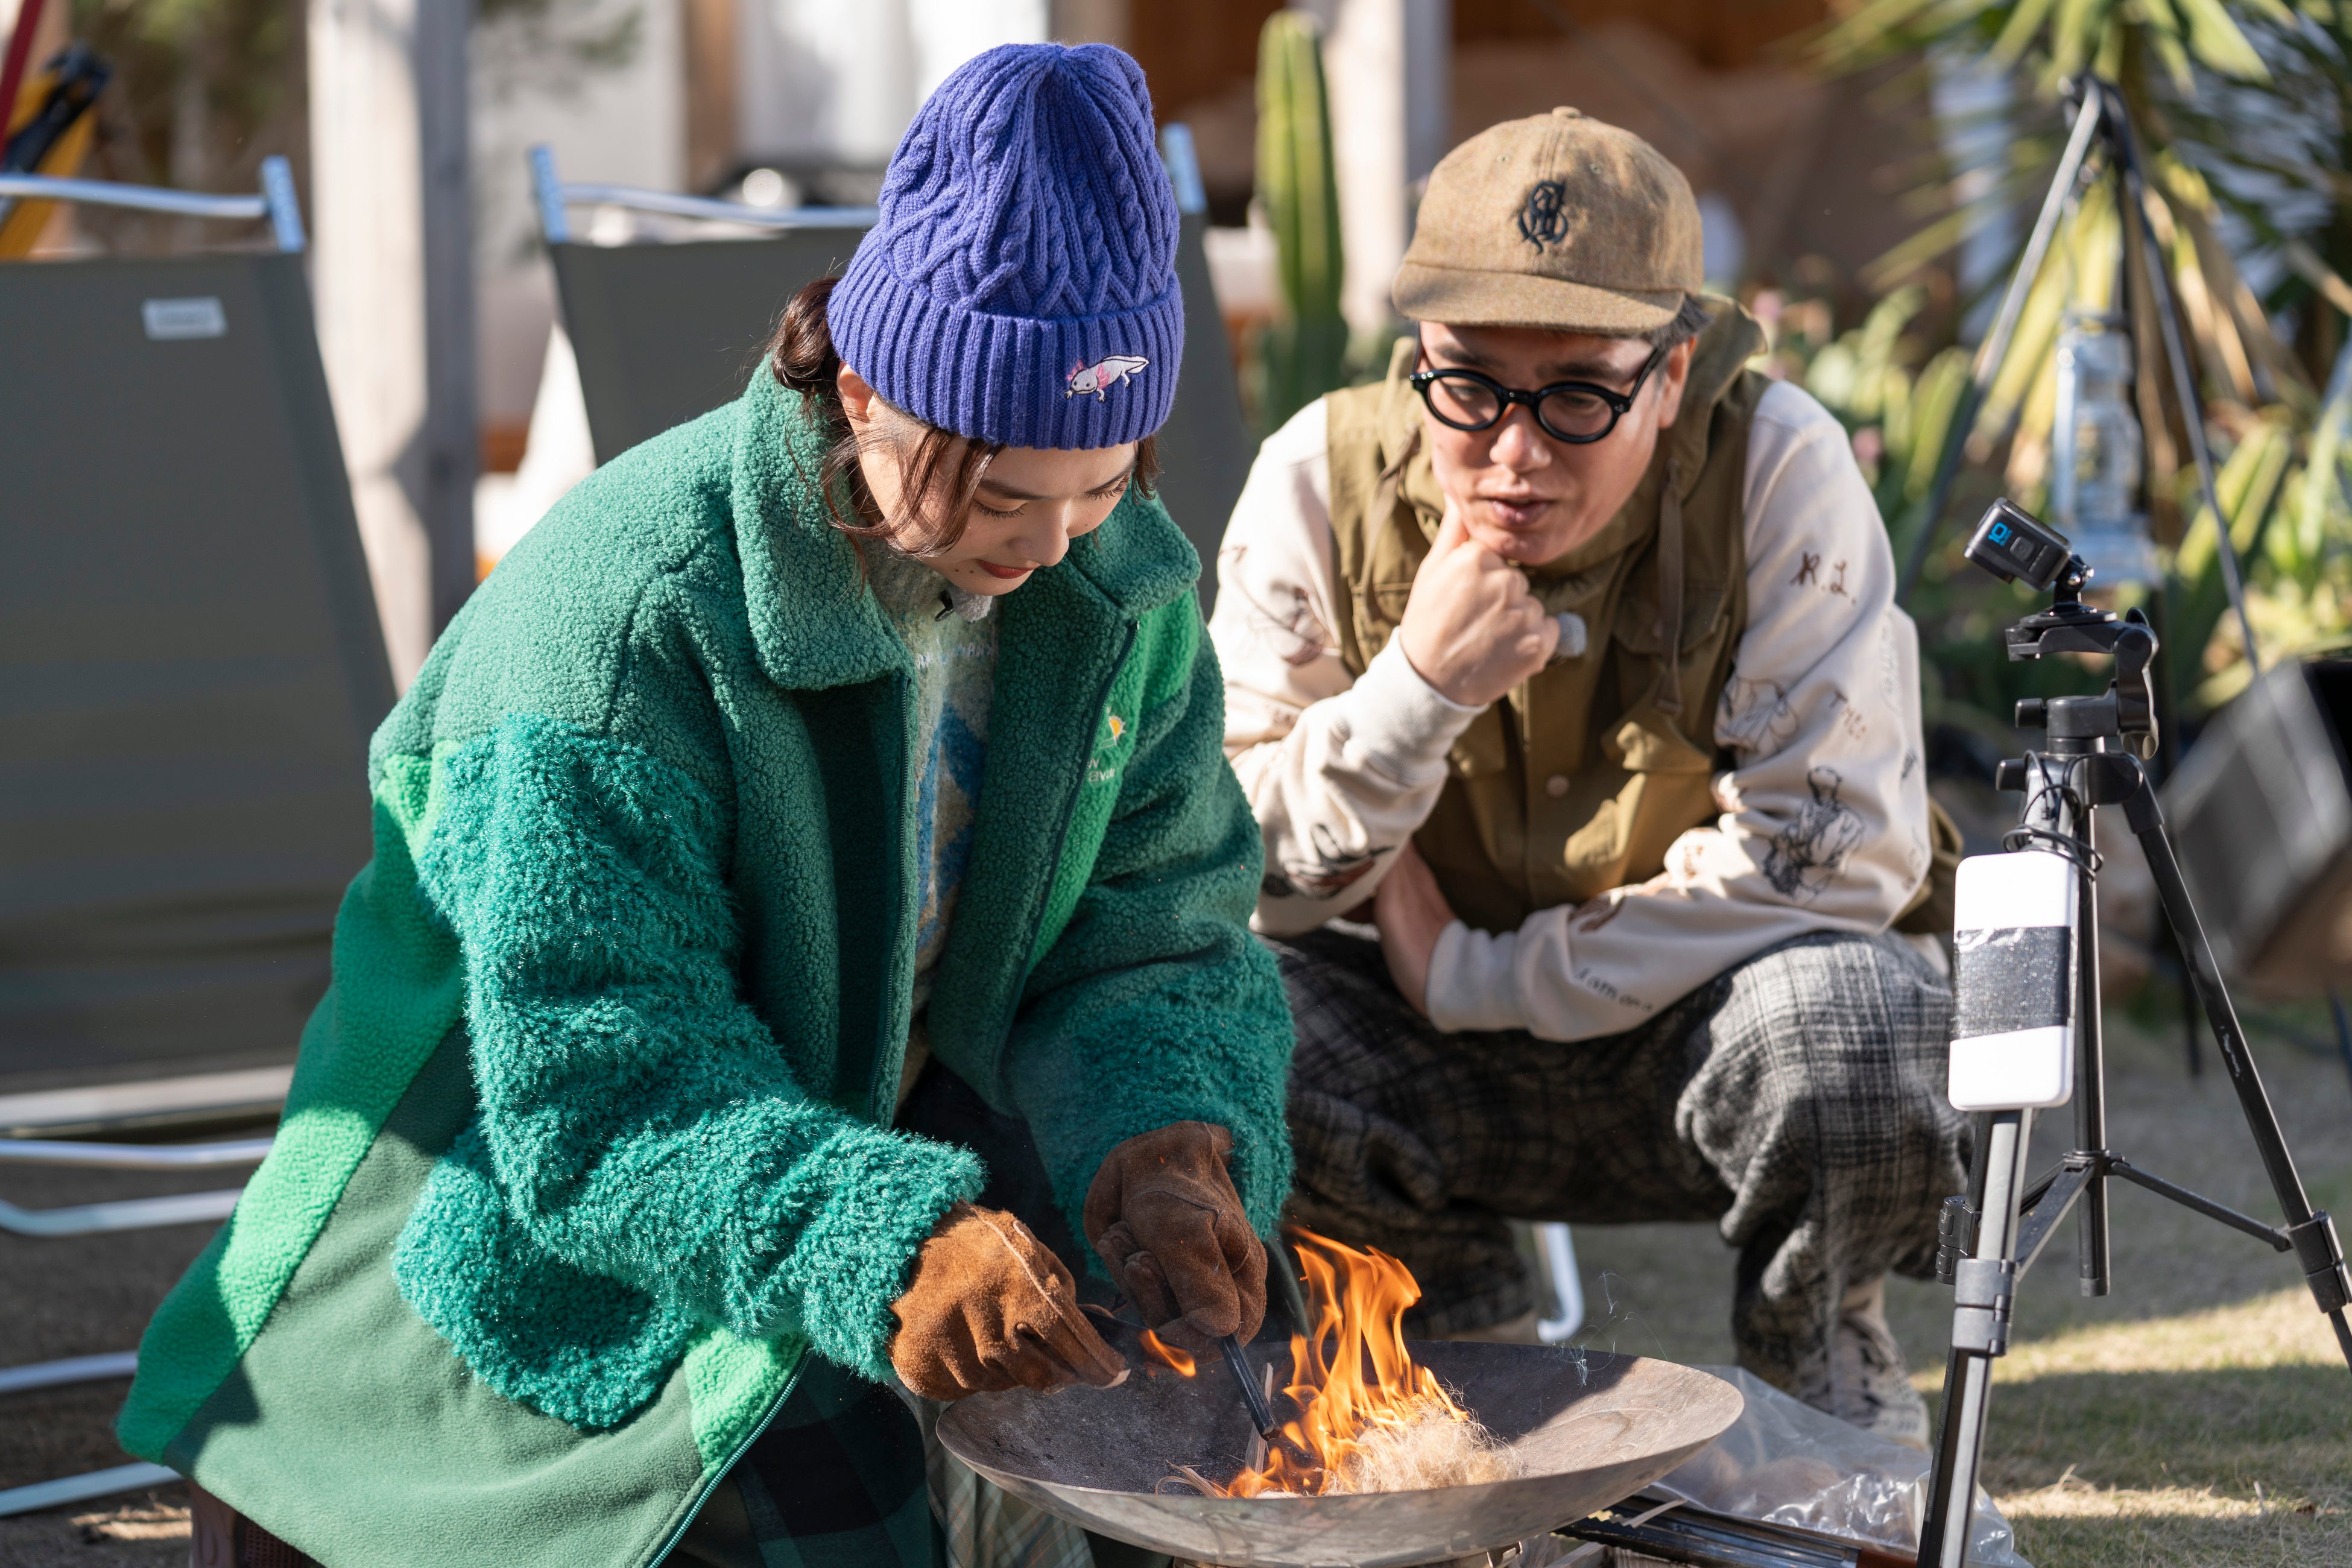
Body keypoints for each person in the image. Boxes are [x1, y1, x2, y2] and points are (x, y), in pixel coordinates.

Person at [120, 43, 1291, 1568]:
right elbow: (604, 1078)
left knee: (1208, 1441)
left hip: (875, 1129)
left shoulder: (1118, 587)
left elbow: (1157, 933)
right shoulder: (624, 621)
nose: (1054, 547)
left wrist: (1166, 1143)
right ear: (863, 390)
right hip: (533, 1210)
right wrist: (892, 1243)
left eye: (1104, 483)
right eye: (1003, 496)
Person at [1210, 109, 1967, 1447]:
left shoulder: (1777, 469)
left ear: (1670, 375)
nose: (1514, 452)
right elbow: (1219, 867)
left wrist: (1480, 973)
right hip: (1413, 1059)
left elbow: (1837, 855)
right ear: (1419, 352)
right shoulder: (1316, 481)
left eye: (1577, 396)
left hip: (1701, 1035)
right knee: (1220, 1019)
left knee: (1861, 1024)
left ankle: (1818, 1348)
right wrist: (1415, 697)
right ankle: (1447, 1362)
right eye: (1468, 384)